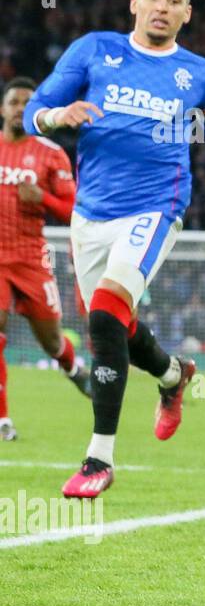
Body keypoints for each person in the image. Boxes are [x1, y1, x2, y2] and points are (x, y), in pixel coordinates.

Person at [24, 0, 205, 498]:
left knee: (105, 312)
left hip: (157, 205)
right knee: (112, 327)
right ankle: (173, 375)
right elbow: (37, 108)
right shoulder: (93, 50)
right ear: (134, 2)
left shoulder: (199, 72)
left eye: (174, 0)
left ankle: (98, 458)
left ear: (187, 13)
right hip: (91, 213)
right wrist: (59, 117)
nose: (163, 7)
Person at [0, 76, 93, 439]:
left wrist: (42, 198)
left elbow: (74, 210)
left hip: (31, 259)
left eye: (27, 102)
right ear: (2, 108)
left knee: (53, 342)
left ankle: (74, 369)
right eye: (14, 102)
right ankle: (3, 419)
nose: (20, 108)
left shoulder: (51, 153)